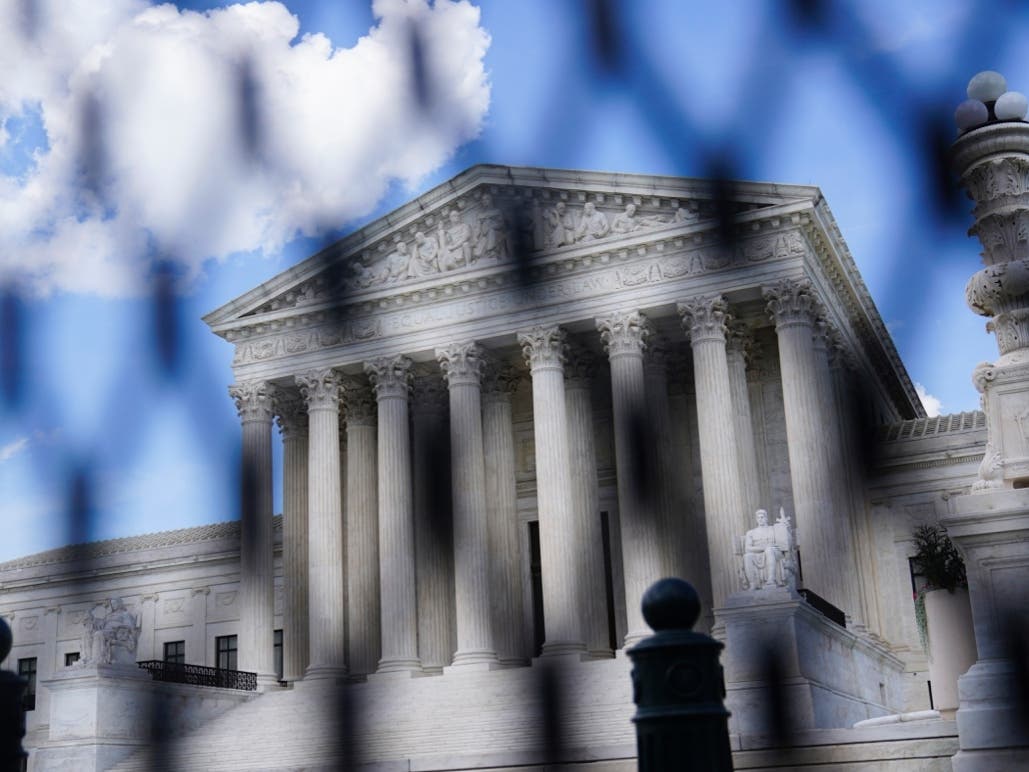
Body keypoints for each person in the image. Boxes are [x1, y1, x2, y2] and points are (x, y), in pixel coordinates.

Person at [743, 509, 791, 589]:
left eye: (762, 517)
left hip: (775, 552)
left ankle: (771, 579)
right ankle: (753, 584)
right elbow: (747, 549)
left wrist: (786, 528)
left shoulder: (774, 529)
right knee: (747, 556)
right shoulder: (750, 533)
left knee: (769, 550)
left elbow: (786, 541)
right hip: (758, 553)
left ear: (766, 518)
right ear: (756, 519)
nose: (760, 519)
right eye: (758, 518)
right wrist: (764, 548)